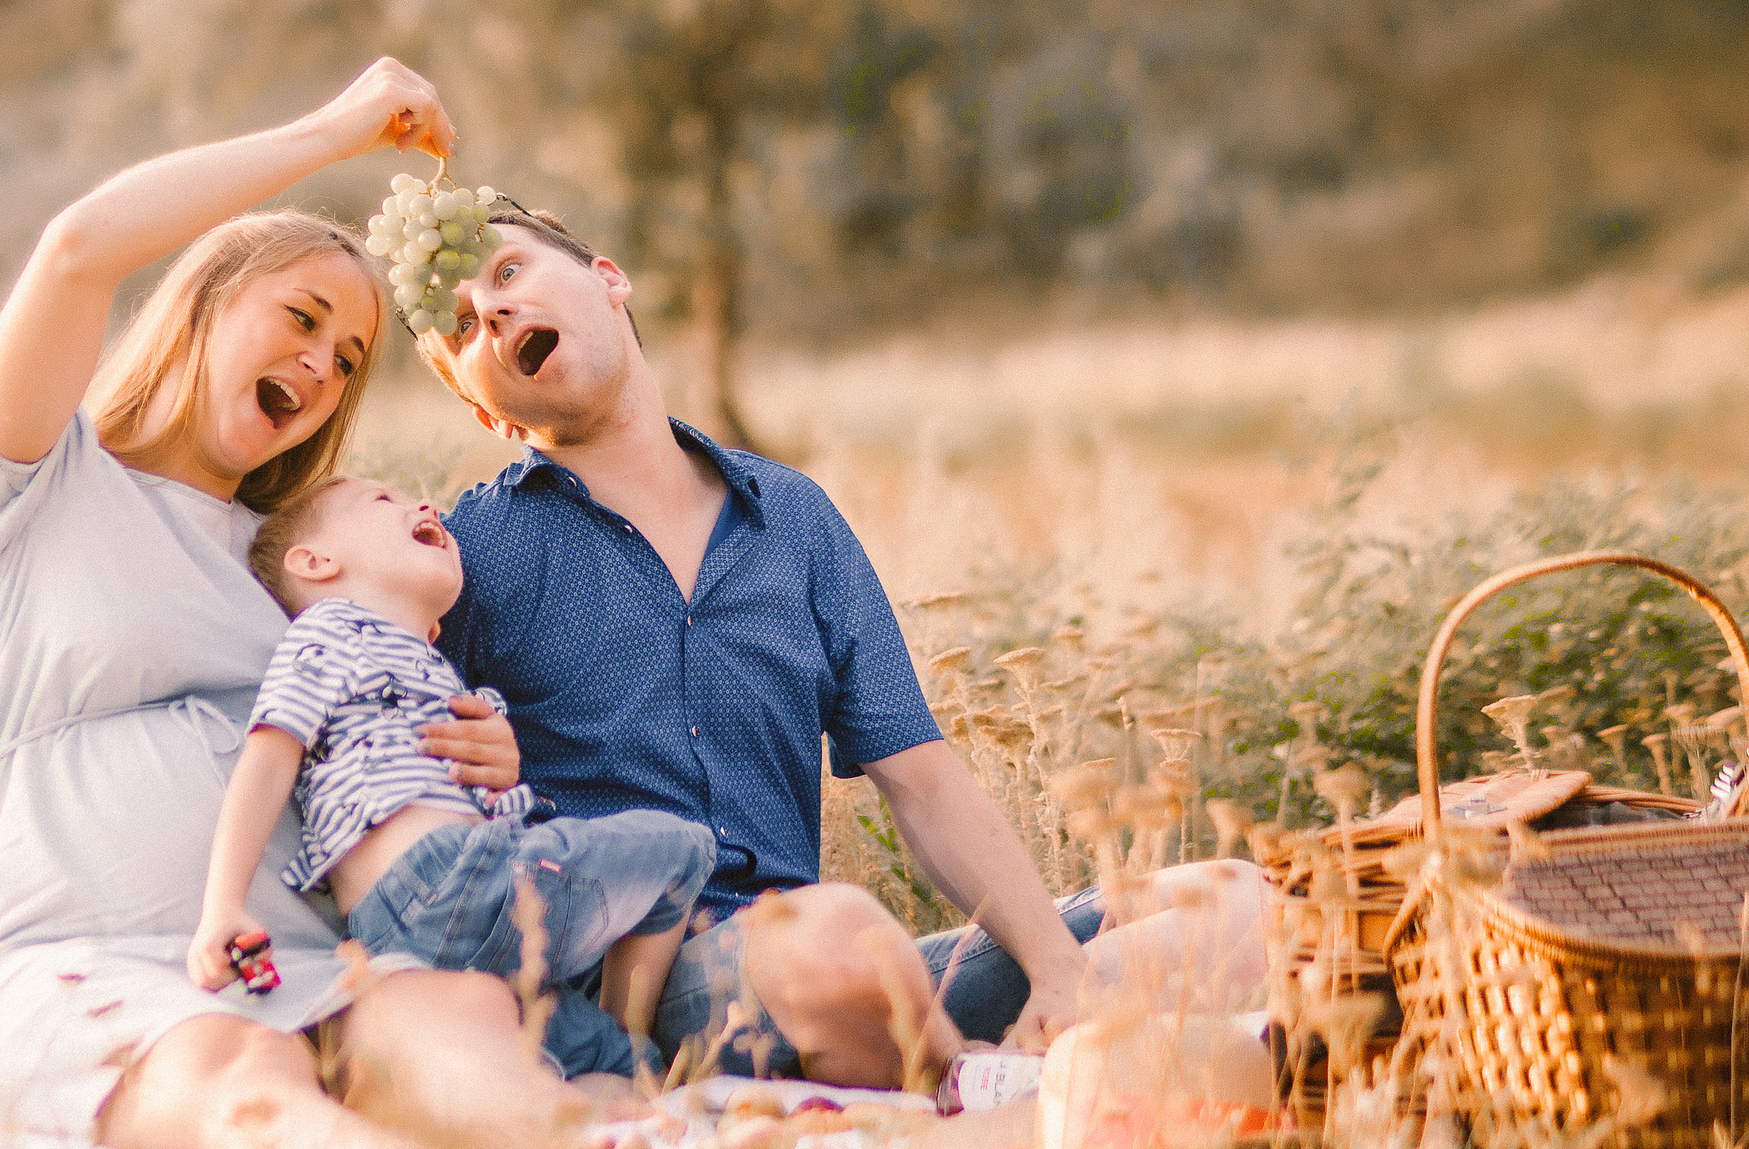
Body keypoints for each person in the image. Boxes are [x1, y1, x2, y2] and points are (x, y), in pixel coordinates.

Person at [0, 57, 617, 1149]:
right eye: (299, 316)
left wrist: (468, 749)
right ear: (199, 305)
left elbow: (370, 725)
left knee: (454, 1031)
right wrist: (336, 132)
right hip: (73, 963)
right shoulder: (29, 482)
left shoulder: (295, 559)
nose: (322, 367)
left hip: (304, 959)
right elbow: (78, 246)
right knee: (237, 1078)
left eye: (346, 359)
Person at [419, 206, 1272, 1089]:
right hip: (662, 992)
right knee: (834, 937)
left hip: (859, 970)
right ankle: (985, 1086)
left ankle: (1032, 1058)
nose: (491, 311)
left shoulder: (793, 520)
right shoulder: (469, 555)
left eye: (509, 273)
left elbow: (923, 779)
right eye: (461, 324)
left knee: (1236, 905)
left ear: (608, 279)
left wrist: (1058, 969)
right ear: (484, 412)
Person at [184, 473, 715, 1078]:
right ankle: (634, 1030)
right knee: (680, 846)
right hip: (442, 878)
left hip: (415, 936)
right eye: (385, 500)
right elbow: (267, 756)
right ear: (315, 562)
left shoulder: (436, 678)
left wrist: (505, 778)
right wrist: (223, 905)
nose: (425, 504)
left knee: (605, 1062)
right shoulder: (334, 633)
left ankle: (632, 1114)